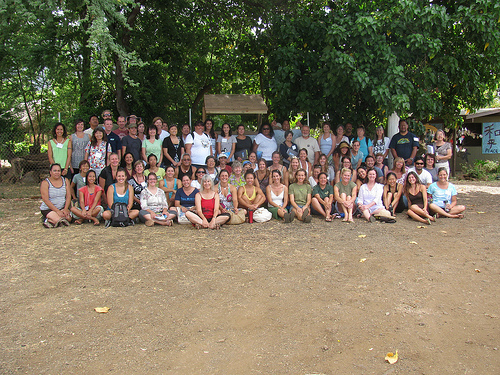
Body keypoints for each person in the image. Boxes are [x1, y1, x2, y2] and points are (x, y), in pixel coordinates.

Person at [40, 163, 72, 227]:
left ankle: (51, 221)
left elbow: (68, 196)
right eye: (54, 171)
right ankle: (52, 219)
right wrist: (57, 211)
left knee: (69, 218)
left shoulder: (65, 180)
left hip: (62, 207)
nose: (57, 173)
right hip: (49, 209)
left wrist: (65, 209)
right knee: (62, 221)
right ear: (50, 172)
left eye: (58, 171)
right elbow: (45, 200)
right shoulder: (45, 183)